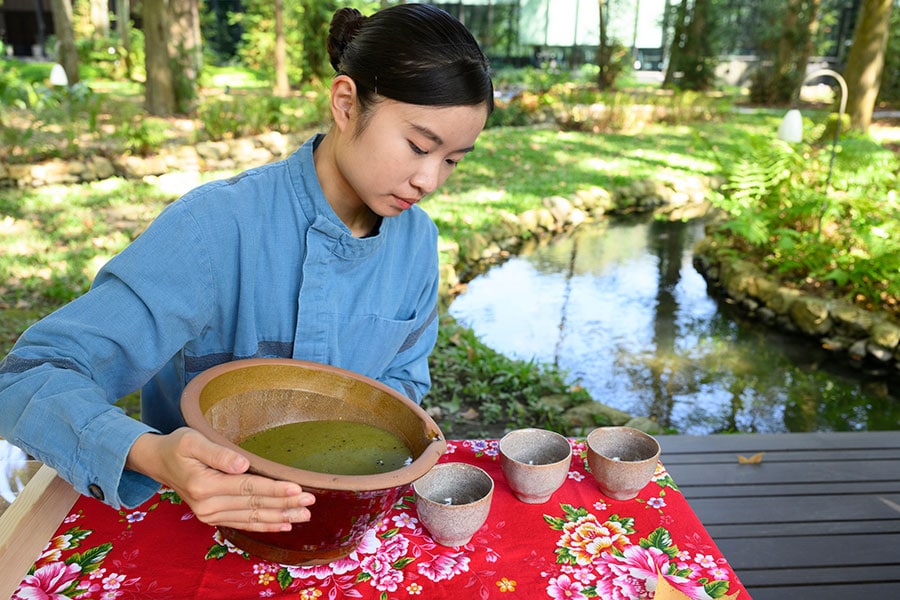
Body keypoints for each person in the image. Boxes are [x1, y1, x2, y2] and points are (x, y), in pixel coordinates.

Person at [0, 4, 493, 534]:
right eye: (419, 146)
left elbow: (403, 382)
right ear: (346, 103)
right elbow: (31, 376)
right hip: (196, 524)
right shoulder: (213, 229)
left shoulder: (417, 243)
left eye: (451, 160)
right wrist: (152, 453)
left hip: (343, 527)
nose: (428, 180)